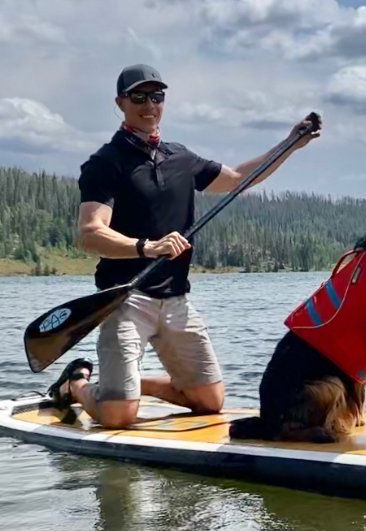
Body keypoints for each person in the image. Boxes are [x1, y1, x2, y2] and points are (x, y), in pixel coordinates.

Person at [47, 63, 321, 428]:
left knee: (209, 402)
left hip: (176, 298)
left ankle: (124, 385)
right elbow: (91, 233)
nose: (149, 105)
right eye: (139, 97)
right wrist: (148, 247)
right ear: (120, 102)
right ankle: (77, 385)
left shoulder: (181, 158)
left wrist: (291, 144)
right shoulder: (104, 164)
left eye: (157, 97)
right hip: (125, 299)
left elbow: (239, 179)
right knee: (117, 417)